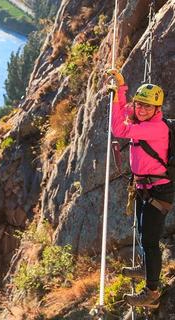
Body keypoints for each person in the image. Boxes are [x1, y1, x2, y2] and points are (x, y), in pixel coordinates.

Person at [108, 68, 174, 308]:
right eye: (139, 105)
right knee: (142, 232)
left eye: (148, 107)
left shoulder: (156, 128)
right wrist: (121, 90)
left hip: (158, 191)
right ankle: (146, 268)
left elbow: (119, 129)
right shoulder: (141, 117)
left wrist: (119, 96)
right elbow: (125, 111)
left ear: (158, 110)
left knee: (150, 241)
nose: (141, 109)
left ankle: (152, 292)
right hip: (144, 187)